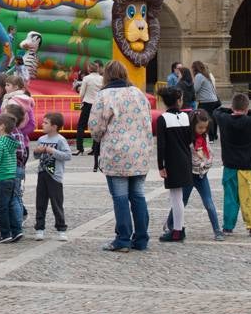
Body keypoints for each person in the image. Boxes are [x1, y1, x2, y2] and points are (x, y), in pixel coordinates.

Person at [89, 60, 154, 253]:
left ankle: (123, 239)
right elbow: (148, 118)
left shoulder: (104, 96)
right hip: (140, 152)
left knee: (120, 197)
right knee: (138, 196)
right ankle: (141, 239)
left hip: (116, 153)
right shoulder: (138, 93)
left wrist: (98, 137)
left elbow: (96, 126)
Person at [215, 93, 251, 237]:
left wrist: (232, 111)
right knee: (249, 198)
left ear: (232, 107)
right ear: (247, 108)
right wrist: (247, 113)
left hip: (229, 166)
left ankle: (227, 227)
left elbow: (217, 111)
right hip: (246, 167)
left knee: (230, 198)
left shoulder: (224, 119)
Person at [164, 109, 224, 242]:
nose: (203, 130)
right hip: (189, 175)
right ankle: (170, 224)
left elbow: (208, 152)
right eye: (200, 127)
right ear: (193, 126)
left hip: (202, 176)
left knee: (208, 202)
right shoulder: (187, 139)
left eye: (205, 127)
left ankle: (217, 230)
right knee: (181, 201)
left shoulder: (205, 137)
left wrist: (207, 163)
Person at [156, 87, 192, 243]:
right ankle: (179, 227)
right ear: (178, 101)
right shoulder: (186, 116)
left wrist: (160, 165)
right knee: (179, 197)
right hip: (186, 159)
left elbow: (161, 145)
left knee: (176, 197)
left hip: (172, 161)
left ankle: (177, 230)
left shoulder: (162, 119)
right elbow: (189, 139)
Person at [33, 112, 71, 241]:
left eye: (45, 123)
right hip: (42, 174)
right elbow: (36, 156)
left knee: (57, 203)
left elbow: (67, 155)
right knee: (40, 202)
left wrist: (52, 151)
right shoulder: (41, 139)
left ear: (54, 126)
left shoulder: (60, 140)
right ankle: (39, 228)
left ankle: (61, 229)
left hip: (55, 176)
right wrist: (37, 151)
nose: (42, 125)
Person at [0, 113, 22, 243]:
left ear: (2, 127)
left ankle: (5, 233)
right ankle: (16, 231)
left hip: (2, 179)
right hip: (12, 178)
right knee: (11, 206)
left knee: (2, 208)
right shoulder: (11, 142)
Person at [5, 102, 30, 221]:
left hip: (14, 168)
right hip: (15, 168)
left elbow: (20, 153)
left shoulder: (14, 133)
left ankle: (18, 222)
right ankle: (16, 221)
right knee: (14, 196)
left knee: (15, 196)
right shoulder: (14, 133)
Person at [74, 61, 103, 155]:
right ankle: (95, 149)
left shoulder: (86, 78)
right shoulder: (102, 79)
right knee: (97, 126)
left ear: (89, 69)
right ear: (98, 69)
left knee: (81, 125)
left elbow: (82, 93)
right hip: (98, 105)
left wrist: (82, 100)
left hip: (87, 103)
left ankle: (80, 148)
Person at [192, 61, 221, 140]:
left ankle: (210, 137)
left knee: (204, 118)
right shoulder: (206, 75)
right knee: (212, 118)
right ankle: (214, 136)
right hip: (213, 100)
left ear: (195, 68)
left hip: (206, 101)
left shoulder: (199, 76)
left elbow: (195, 89)